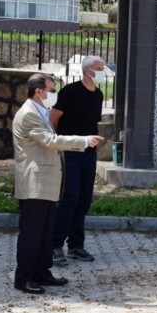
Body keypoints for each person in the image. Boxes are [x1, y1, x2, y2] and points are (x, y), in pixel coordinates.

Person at [12, 73, 103, 295]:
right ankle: (23, 278)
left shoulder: (39, 112)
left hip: (46, 184)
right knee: (32, 234)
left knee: (44, 233)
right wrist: (83, 141)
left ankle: (42, 272)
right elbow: (50, 141)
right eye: (51, 90)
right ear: (39, 92)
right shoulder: (28, 114)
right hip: (35, 184)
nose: (54, 94)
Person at [50, 55, 105, 266]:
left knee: (84, 198)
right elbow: (54, 117)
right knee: (69, 197)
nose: (102, 72)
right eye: (99, 68)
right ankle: (55, 245)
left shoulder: (98, 94)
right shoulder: (70, 92)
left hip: (89, 153)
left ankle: (75, 245)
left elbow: (93, 122)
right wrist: (62, 141)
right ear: (87, 70)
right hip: (70, 150)